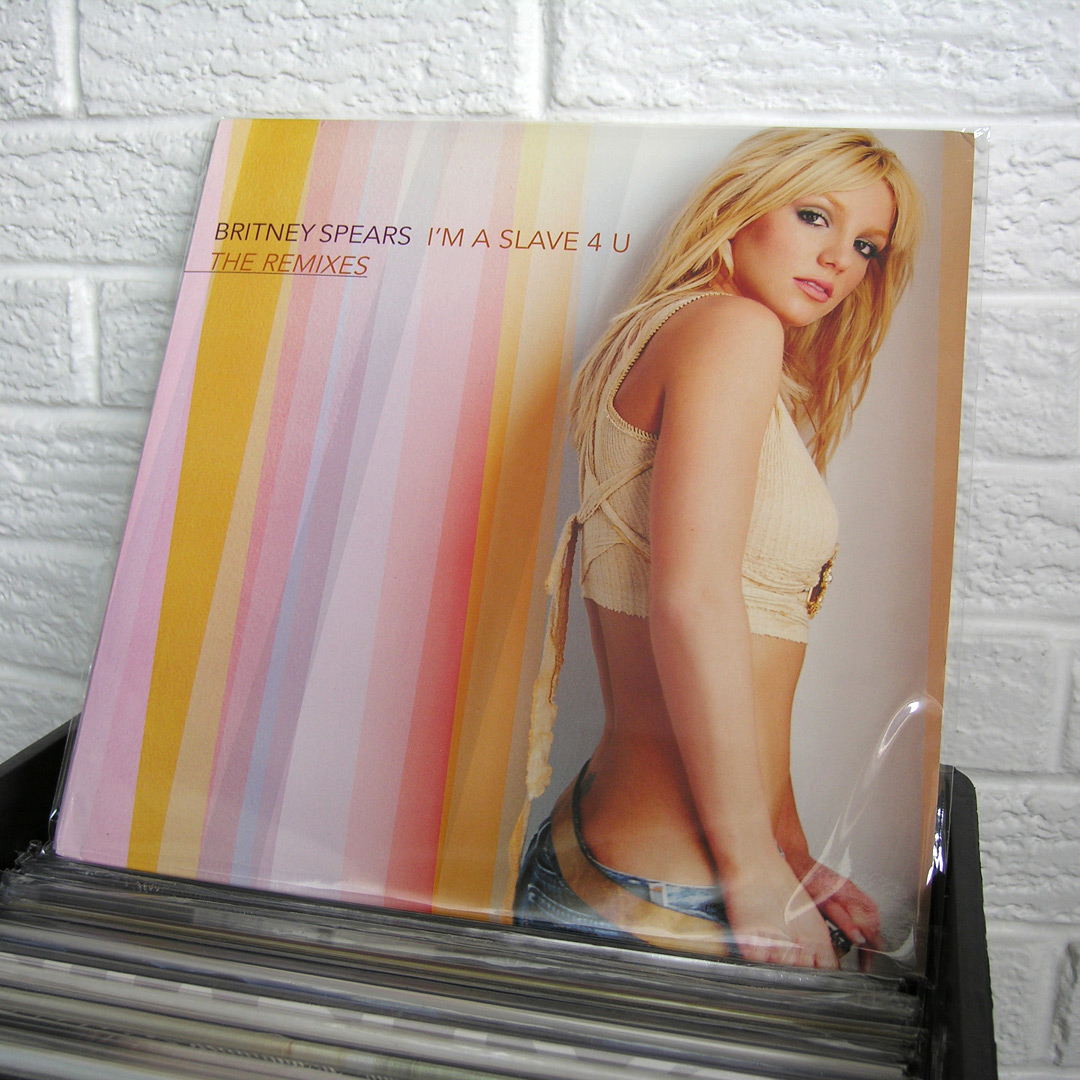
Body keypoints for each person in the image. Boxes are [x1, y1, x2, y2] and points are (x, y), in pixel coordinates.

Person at [514, 128, 922, 969]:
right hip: (674, 897)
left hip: (625, 858)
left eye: (867, 246)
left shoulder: (663, 332)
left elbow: (746, 661)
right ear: (741, 207)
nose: (839, 259)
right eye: (815, 216)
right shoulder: (733, 329)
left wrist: (789, 854)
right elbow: (694, 601)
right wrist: (754, 873)